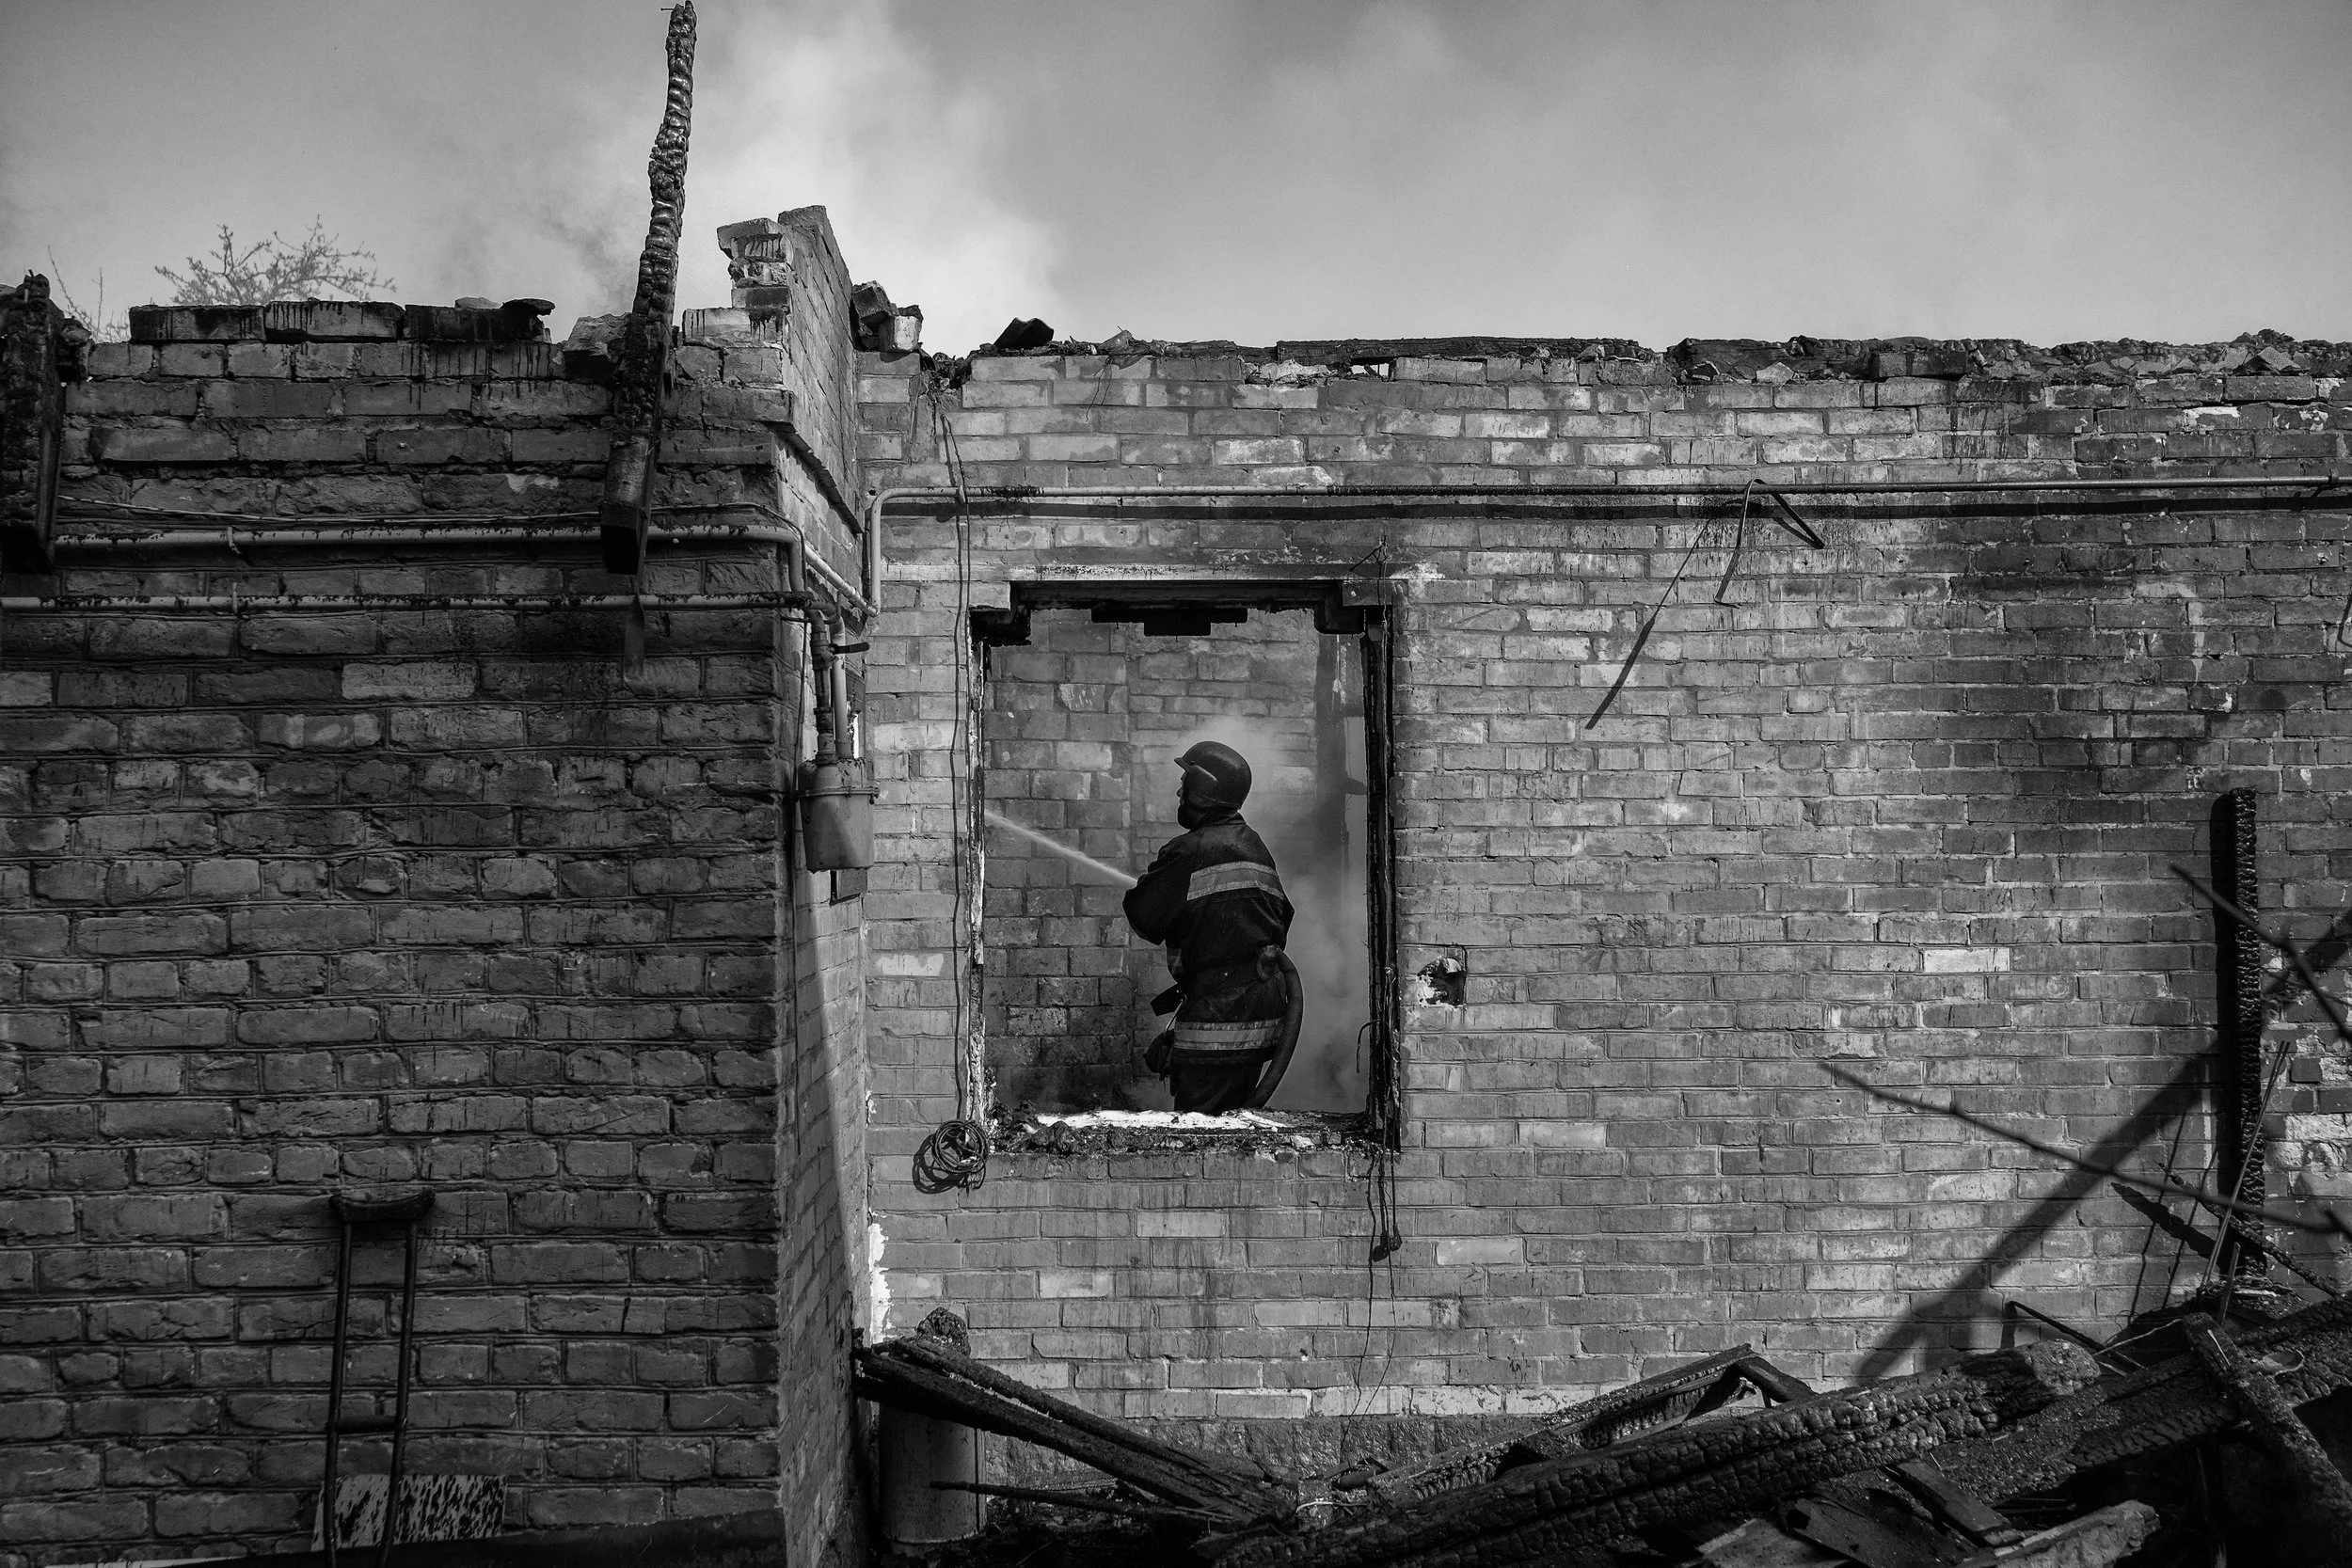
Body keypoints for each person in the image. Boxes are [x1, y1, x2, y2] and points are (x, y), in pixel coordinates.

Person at [1122, 741, 1298, 1114]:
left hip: (1217, 1027)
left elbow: (1144, 918)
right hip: (1255, 1019)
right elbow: (1282, 915)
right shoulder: (1253, 845)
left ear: (1204, 791)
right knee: (1231, 1119)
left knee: (1202, 1134)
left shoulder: (1191, 851)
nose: (1179, 790)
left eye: (1185, 780)